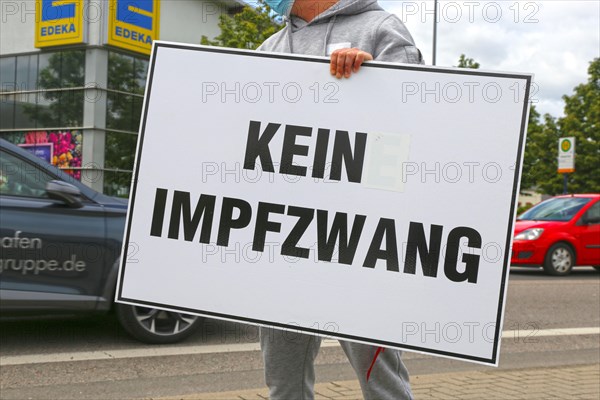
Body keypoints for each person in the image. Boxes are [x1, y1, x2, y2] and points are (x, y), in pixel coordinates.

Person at [256, 0, 423, 399]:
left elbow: (419, 112)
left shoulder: (381, 29)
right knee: (283, 377)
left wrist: (376, 79)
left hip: (356, 239)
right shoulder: (268, 48)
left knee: (379, 375)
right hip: (285, 237)